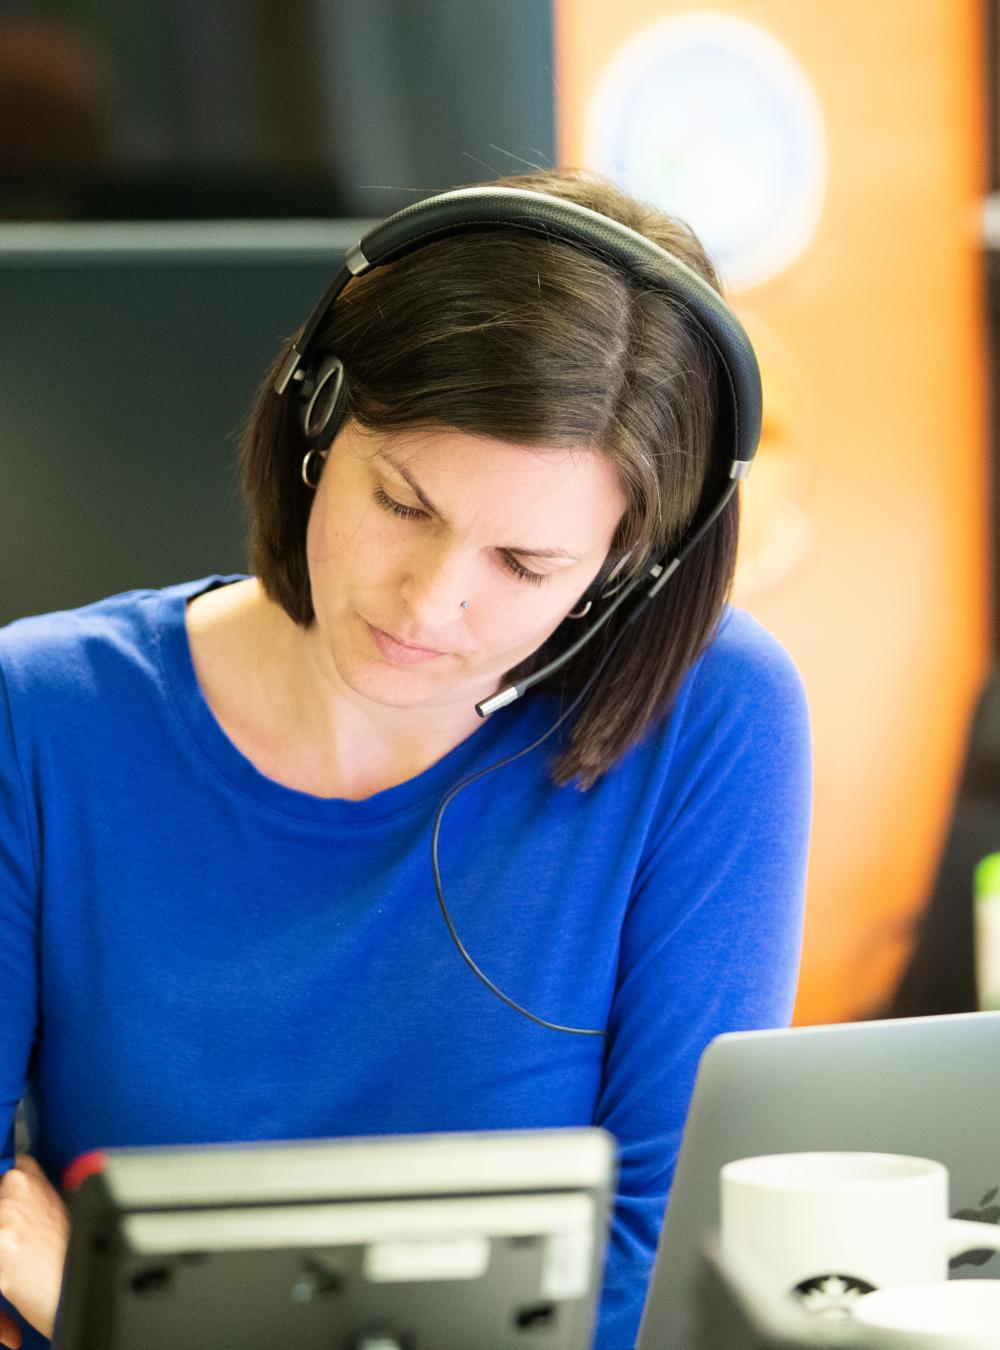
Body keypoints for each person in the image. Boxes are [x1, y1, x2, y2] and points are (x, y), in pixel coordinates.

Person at [0, 167, 811, 1349]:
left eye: (524, 566)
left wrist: (115, 1313)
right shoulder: (41, 717)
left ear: (622, 572)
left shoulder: (710, 717)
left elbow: (671, 1274)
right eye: (403, 503)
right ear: (316, 421)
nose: (430, 605)